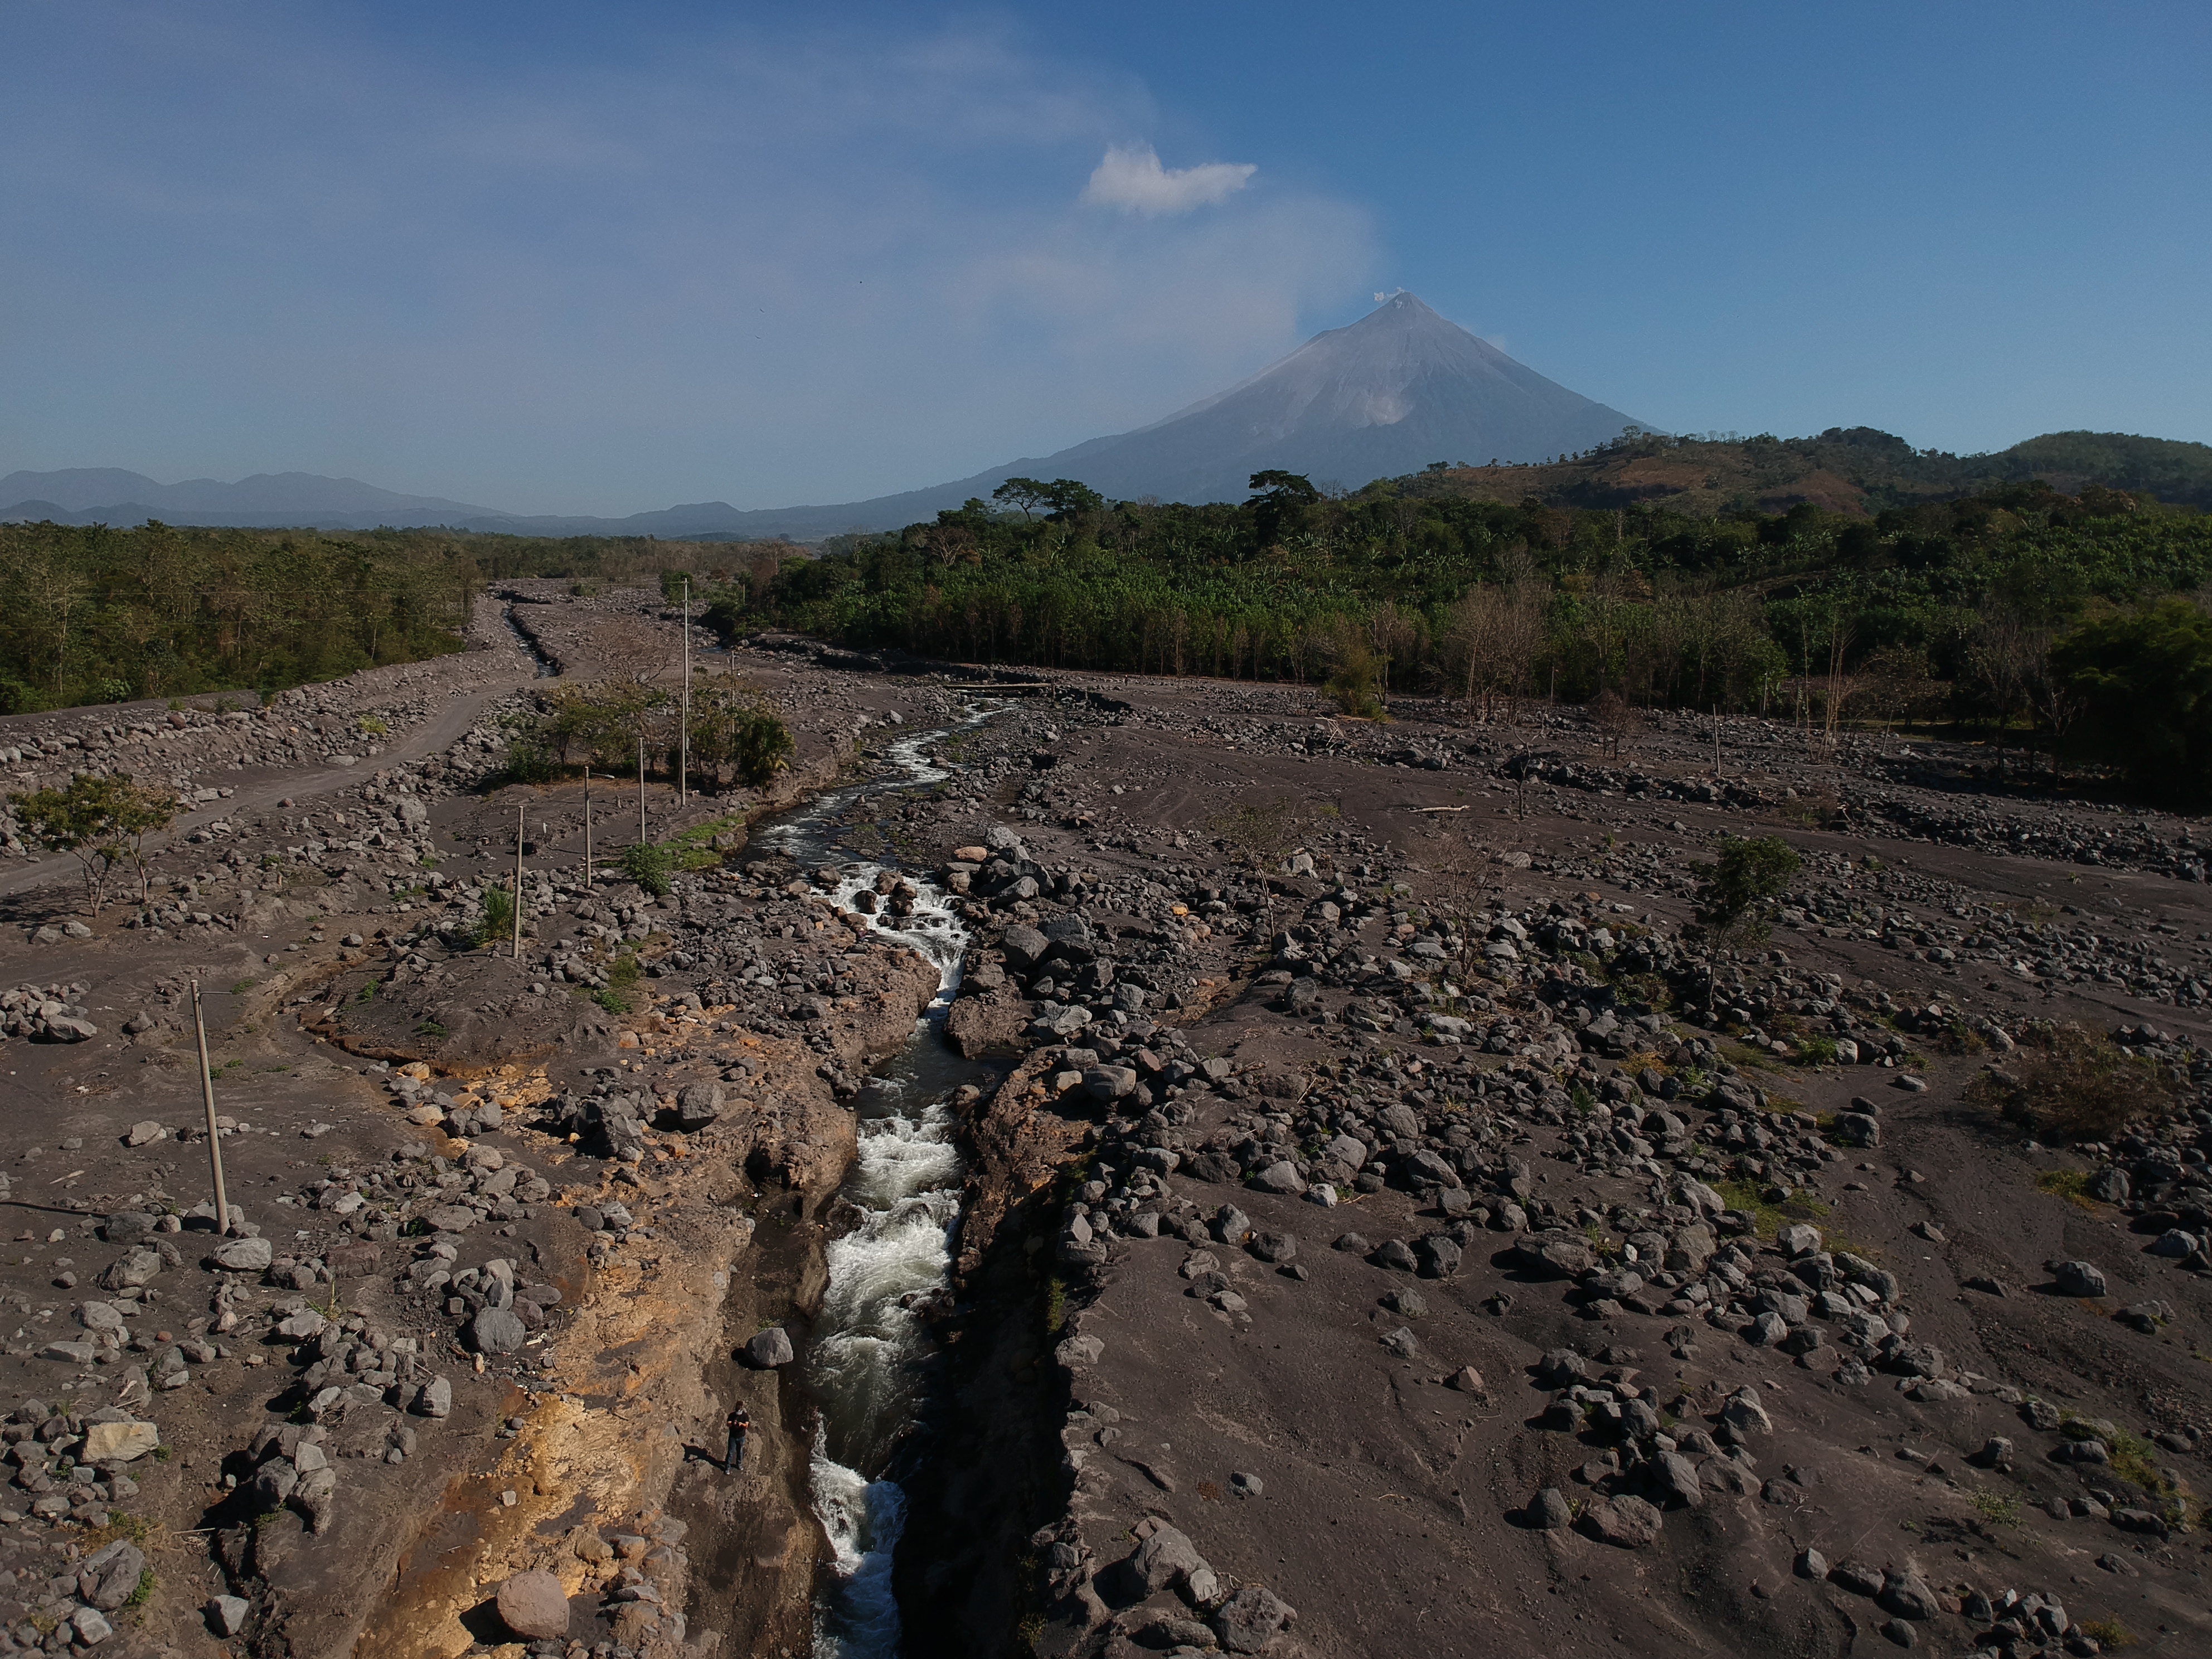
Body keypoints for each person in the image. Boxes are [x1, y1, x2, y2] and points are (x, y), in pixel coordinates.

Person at [724, 1403, 751, 1475]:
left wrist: (742, 1425)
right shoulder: (732, 1415)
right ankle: (728, 1467)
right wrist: (733, 1424)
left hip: (741, 1437)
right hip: (733, 1437)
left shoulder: (745, 1416)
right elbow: (728, 1424)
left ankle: (739, 1464)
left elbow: (747, 1425)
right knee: (730, 1452)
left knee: (740, 1451)